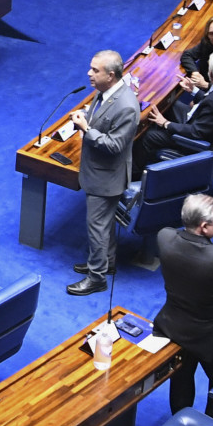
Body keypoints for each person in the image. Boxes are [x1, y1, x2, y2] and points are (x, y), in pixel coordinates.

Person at [154, 194, 213, 418]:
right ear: (204, 226)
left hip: (176, 329)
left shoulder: (164, 238)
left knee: (181, 378)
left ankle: (178, 423)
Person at [68, 50, 138, 296]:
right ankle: (105, 263)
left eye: (95, 70)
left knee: (96, 227)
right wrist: (87, 117)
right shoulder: (106, 92)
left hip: (107, 176)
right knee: (104, 224)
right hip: (99, 171)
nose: (89, 73)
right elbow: (101, 119)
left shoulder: (127, 106)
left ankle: (96, 277)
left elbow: (114, 145)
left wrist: (86, 128)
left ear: (111, 75)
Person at [139, 49, 213, 167]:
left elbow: (195, 132)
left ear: (211, 75)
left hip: (198, 139)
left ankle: (138, 172)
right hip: (204, 121)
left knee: (149, 136)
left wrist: (165, 123)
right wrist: (194, 90)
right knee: (170, 105)